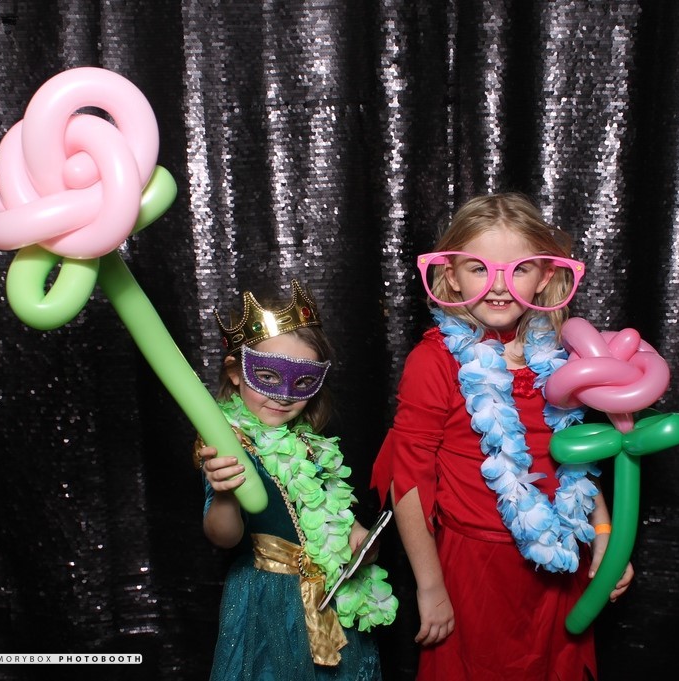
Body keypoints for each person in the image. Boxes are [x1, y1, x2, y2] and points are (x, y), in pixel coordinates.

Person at [371, 193, 634, 680]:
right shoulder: (434, 361)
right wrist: (429, 586)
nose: (498, 286)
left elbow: (576, 454)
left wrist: (604, 537)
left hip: (560, 561)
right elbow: (407, 482)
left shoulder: (562, 356)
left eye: (519, 269)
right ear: (451, 274)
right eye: (479, 269)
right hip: (474, 569)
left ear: (545, 276)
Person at [197, 278, 397, 681]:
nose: (285, 395)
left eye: (302, 382)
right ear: (235, 372)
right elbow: (224, 537)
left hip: (333, 599)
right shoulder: (229, 444)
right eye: (268, 376)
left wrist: (360, 542)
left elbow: (338, 522)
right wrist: (224, 494)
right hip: (268, 601)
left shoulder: (313, 446)